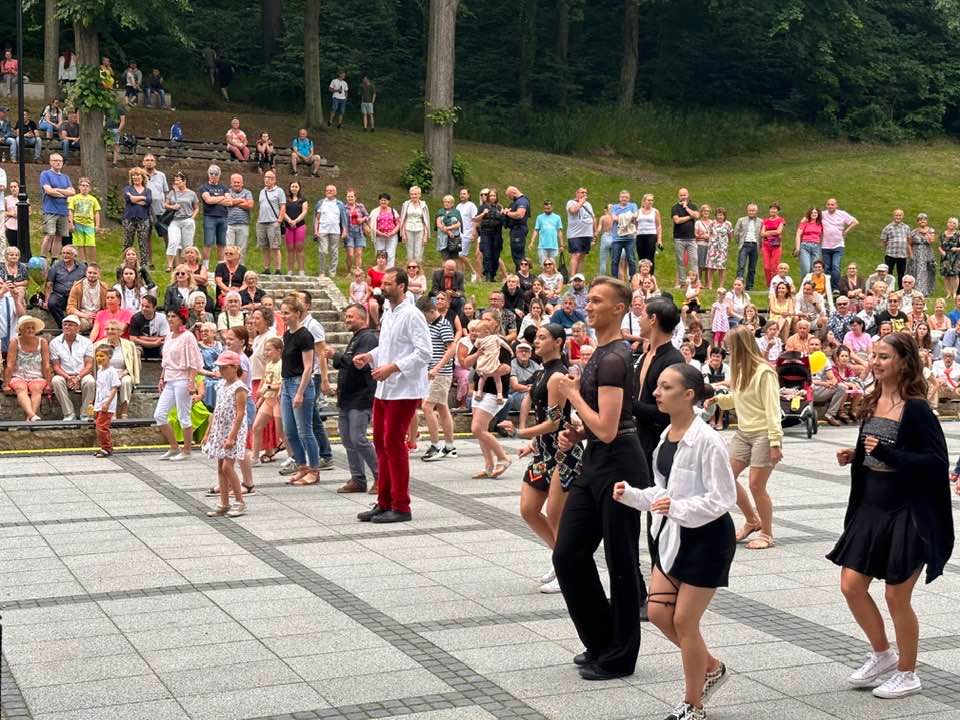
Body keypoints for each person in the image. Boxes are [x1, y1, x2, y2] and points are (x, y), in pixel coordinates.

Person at [829, 332, 954, 699]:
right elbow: (875, 448)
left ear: (903, 362)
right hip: (871, 508)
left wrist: (887, 454)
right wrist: (856, 455)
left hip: (907, 512)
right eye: (874, 355)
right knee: (851, 585)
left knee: (897, 596)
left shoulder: (916, 409)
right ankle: (883, 655)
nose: (876, 361)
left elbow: (935, 463)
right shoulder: (872, 400)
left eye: (884, 356)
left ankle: (908, 672)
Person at [614, 363, 736, 720]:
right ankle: (711, 666)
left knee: (684, 622)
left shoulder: (708, 440)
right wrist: (632, 495)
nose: (656, 393)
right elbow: (663, 491)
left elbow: (722, 498)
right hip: (671, 536)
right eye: (658, 386)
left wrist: (678, 508)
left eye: (666, 387)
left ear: (688, 395)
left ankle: (692, 705)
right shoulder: (667, 435)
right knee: (657, 614)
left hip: (707, 539)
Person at [552, 276, 647, 681]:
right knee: (567, 554)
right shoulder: (601, 353)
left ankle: (620, 656)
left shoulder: (613, 358)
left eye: (596, 300)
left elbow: (609, 428)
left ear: (618, 309)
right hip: (597, 459)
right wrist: (578, 432)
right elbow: (601, 426)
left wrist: (572, 395)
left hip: (620, 464)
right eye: (587, 299)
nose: (587, 306)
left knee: (620, 561)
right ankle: (601, 640)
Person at [353, 267, 431, 522]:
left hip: (404, 389)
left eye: (388, 284)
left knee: (394, 445)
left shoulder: (412, 314)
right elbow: (387, 347)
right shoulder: (388, 311)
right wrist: (370, 356)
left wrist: (393, 368)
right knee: (381, 443)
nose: (383, 287)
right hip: (385, 388)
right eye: (383, 283)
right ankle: (384, 500)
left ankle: (401, 505)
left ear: (402, 286)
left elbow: (424, 352)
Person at [707, 325, 783, 551]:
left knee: (756, 485)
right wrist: (718, 400)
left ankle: (767, 533)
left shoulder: (764, 372)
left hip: (763, 433)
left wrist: (775, 442)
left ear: (741, 348)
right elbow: (739, 399)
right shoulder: (740, 371)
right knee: (726, 476)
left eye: (731, 349)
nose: (728, 353)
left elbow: (772, 409)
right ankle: (752, 520)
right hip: (744, 432)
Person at [329, 304, 379, 493]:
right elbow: (348, 364)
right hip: (347, 397)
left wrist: (336, 355)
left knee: (358, 438)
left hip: (360, 396)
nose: (347, 320)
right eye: (346, 316)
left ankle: (381, 476)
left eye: (351, 316)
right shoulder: (356, 337)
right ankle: (358, 479)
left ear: (363, 318)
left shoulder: (367, 338)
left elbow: (359, 364)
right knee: (348, 440)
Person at [278, 295, 322, 485]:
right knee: (289, 430)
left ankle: (314, 469)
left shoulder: (305, 335)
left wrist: (300, 392)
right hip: (287, 382)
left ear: (297, 313)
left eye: (287, 313)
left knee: (305, 430)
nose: (283, 316)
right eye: (282, 313)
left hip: (299, 383)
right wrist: (282, 385)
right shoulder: (287, 334)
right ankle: (302, 465)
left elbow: (308, 366)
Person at [203, 350, 250, 518]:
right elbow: (216, 410)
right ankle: (224, 502)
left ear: (235, 367)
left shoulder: (240, 388)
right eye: (220, 368)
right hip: (220, 430)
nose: (221, 371)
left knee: (227, 467)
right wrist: (208, 432)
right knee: (220, 467)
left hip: (233, 431)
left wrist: (232, 437)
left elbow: (240, 414)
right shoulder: (221, 385)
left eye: (224, 368)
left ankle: (240, 501)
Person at [155, 308, 203, 461]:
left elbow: (194, 361)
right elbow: (166, 361)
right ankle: (174, 446)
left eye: (173, 316)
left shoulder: (188, 336)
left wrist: (191, 381)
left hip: (182, 378)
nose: (170, 319)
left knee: (184, 415)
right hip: (170, 378)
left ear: (181, 319)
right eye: (168, 316)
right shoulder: (169, 336)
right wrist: (162, 378)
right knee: (159, 415)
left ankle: (187, 450)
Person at [416, 295, 458, 462]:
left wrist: (437, 368)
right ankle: (450, 446)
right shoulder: (429, 325)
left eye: (423, 315)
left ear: (430, 311)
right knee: (442, 408)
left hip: (440, 373)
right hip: (433, 372)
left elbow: (451, 349)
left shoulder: (443, 325)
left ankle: (435, 446)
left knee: (427, 406)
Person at [4, 316, 51, 421]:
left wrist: (48, 383)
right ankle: (32, 416)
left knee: (37, 389)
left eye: (32, 328)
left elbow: (46, 365)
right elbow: (10, 364)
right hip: (18, 376)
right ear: (21, 329)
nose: (31, 330)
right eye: (27, 328)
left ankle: (29, 419)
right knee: (21, 388)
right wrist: (6, 384)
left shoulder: (42, 342)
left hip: (37, 376)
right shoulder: (15, 341)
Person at [49, 315, 94, 421]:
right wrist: (68, 378)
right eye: (65, 325)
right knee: (56, 380)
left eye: (70, 325)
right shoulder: (54, 343)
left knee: (90, 381)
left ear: (78, 328)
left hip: (82, 374)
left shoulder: (87, 342)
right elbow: (56, 366)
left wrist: (78, 377)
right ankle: (69, 414)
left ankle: (85, 414)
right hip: (64, 375)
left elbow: (89, 365)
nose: (67, 327)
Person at [39, 153, 75, 261]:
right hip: (50, 210)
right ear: (50, 162)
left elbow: (72, 192)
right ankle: (42, 259)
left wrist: (57, 190)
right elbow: (48, 191)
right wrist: (64, 193)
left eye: (60, 161)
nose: (58, 163)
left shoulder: (66, 177)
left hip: (63, 211)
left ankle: (54, 259)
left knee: (59, 236)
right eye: (55, 160)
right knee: (49, 235)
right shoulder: (45, 174)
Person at [163, 171, 199, 272]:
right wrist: (172, 207)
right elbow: (165, 205)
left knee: (187, 244)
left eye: (178, 180)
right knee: (173, 241)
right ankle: (170, 265)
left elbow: (196, 207)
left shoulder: (192, 193)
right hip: (175, 220)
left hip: (187, 220)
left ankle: (184, 265)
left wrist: (192, 218)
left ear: (184, 181)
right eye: (175, 180)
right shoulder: (172, 193)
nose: (176, 182)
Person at [822, 197, 859, 289]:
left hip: (838, 245)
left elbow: (855, 222)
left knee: (835, 265)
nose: (830, 206)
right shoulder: (822, 214)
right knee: (827, 267)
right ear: (826, 205)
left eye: (832, 204)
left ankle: (836, 288)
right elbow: (811, 216)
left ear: (836, 205)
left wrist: (846, 231)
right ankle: (828, 287)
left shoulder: (842, 214)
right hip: (825, 245)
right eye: (828, 204)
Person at [90, 345, 120, 457]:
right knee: (99, 426)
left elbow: (114, 388)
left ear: (109, 357)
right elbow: (99, 388)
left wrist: (107, 402)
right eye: (97, 356)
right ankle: (104, 447)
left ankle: (107, 448)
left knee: (102, 427)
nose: (99, 358)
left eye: (102, 356)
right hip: (99, 403)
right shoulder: (100, 371)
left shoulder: (112, 371)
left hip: (107, 404)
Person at [43, 245, 85, 325]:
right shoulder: (56, 266)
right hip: (59, 295)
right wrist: (46, 301)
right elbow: (49, 284)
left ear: (74, 255)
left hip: (75, 296)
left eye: (68, 253)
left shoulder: (82, 267)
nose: (65, 255)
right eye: (63, 253)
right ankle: (63, 325)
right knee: (52, 303)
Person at [314, 184, 348, 278]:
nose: (328, 192)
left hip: (335, 231)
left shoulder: (340, 204)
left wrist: (345, 230)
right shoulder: (321, 203)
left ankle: (332, 272)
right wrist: (315, 230)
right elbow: (317, 218)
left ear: (335, 192)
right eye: (327, 190)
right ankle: (322, 272)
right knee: (323, 251)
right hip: (323, 230)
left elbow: (344, 218)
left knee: (334, 252)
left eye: (331, 190)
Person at [122, 167, 152, 268]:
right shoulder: (127, 189)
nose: (135, 177)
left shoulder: (148, 190)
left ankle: (144, 265)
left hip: (143, 219)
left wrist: (135, 199)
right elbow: (129, 198)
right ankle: (126, 264)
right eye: (133, 175)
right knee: (127, 242)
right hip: (129, 219)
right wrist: (142, 198)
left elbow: (148, 201)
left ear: (142, 177)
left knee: (143, 243)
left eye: (138, 175)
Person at [66, 263, 108, 334]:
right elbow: (70, 308)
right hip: (82, 316)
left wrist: (99, 316)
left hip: (98, 317)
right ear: (86, 273)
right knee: (71, 322)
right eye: (90, 273)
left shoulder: (104, 288)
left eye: (95, 273)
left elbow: (108, 306)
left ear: (99, 275)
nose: (92, 275)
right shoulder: (77, 286)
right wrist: (85, 316)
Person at [257, 170, 285, 275]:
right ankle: (266, 268)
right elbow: (261, 207)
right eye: (265, 177)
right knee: (264, 247)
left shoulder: (279, 191)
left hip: (273, 222)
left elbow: (283, 207)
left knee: (275, 246)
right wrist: (258, 221)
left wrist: (279, 221)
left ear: (274, 180)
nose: (267, 179)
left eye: (269, 178)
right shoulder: (262, 191)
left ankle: (278, 269)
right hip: (261, 222)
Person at [66, 177, 100, 264]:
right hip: (77, 224)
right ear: (79, 187)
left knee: (91, 244)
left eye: (87, 186)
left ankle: (92, 262)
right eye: (83, 185)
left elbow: (96, 212)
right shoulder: (74, 198)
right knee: (79, 244)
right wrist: (71, 223)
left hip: (89, 224)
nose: (84, 187)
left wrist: (97, 225)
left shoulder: (93, 199)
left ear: (89, 188)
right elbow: (70, 211)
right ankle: (83, 262)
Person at [671, 188, 700, 288]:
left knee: (694, 260)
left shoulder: (693, 205)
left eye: (685, 195)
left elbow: (697, 215)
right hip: (679, 238)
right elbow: (677, 220)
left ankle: (695, 282)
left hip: (691, 239)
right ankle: (683, 283)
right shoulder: (675, 207)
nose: (683, 197)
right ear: (678, 196)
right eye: (681, 195)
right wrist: (690, 217)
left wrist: (686, 208)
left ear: (688, 195)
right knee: (681, 261)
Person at [565, 188, 595, 277]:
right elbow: (573, 210)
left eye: (586, 193)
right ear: (577, 193)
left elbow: (593, 217)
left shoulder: (588, 204)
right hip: (575, 234)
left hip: (587, 234)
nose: (584, 194)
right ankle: (572, 277)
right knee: (576, 255)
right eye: (582, 192)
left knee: (582, 256)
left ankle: (578, 277)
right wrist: (581, 202)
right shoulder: (571, 202)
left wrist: (595, 232)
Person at [223, 173, 254, 260]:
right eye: (234, 182)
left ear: (242, 183)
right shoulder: (227, 192)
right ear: (231, 183)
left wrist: (233, 202)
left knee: (241, 249)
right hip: (229, 224)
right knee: (229, 248)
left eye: (238, 182)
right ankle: (228, 266)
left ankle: (240, 266)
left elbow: (250, 205)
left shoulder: (247, 192)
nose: (236, 184)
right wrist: (241, 200)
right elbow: (226, 202)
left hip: (243, 224)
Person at [129, 294, 168, 361]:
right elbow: (133, 339)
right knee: (135, 351)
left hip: (159, 345)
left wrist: (142, 337)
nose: (144, 308)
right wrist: (153, 343)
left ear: (154, 308)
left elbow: (164, 338)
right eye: (142, 306)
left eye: (147, 307)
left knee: (167, 350)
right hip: (141, 345)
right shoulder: (135, 318)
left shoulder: (162, 317)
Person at [906, 212, 936, 297]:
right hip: (916, 255)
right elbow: (909, 244)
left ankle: (925, 292)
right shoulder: (913, 232)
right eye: (920, 220)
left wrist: (927, 234)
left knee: (927, 272)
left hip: (927, 254)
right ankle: (916, 291)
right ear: (918, 221)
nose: (922, 221)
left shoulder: (931, 230)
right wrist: (911, 254)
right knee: (916, 272)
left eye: (924, 219)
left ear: (927, 221)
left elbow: (931, 241)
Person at [733, 203, 762, 290]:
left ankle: (749, 286)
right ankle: (739, 284)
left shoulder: (761, 221)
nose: (751, 212)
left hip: (755, 245)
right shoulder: (741, 220)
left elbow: (762, 234)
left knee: (752, 267)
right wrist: (739, 242)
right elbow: (736, 232)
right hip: (744, 245)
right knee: (741, 266)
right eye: (750, 210)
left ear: (756, 211)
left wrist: (760, 245)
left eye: (753, 210)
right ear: (747, 211)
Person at [283, 181, 308, 276]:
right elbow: (282, 211)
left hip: (300, 226)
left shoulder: (303, 200)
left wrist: (296, 221)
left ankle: (301, 270)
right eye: (292, 186)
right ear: (290, 188)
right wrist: (289, 221)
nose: (294, 188)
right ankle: (290, 270)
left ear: (299, 188)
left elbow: (304, 212)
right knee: (290, 249)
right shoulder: (285, 199)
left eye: (296, 186)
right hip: (288, 226)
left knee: (299, 248)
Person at [880, 208, 910, 288]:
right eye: (896, 215)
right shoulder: (888, 227)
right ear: (893, 216)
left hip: (902, 255)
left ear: (902, 216)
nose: (898, 217)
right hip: (890, 254)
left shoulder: (906, 227)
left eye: (900, 215)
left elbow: (908, 240)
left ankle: (901, 290)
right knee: (888, 273)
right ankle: (888, 289)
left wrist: (908, 253)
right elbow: (883, 240)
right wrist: (887, 248)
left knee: (902, 274)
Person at [435, 194, 463, 262]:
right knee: (445, 259)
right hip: (443, 239)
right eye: (445, 202)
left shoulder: (456, 212)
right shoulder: (440, 211)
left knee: (454, 259)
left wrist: (448, 228)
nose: (446, 203)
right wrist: (448, 232)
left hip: (454, 239)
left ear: (452, 203)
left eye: (448, 202)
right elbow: (439, 224)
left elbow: (459, 224)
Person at [939, 216, 960, 299]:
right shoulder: (943, 234)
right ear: (947, 223)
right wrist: (941, 251)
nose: (951, 224)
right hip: (945, 257)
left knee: (954, 275)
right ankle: (948, 293)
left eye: (954, 223)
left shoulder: (958, 234)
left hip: (955, 257)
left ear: (956, 225)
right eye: (950, 222)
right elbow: (940, 246)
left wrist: (956, 249)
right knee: (946, 275)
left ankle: (954, 293)